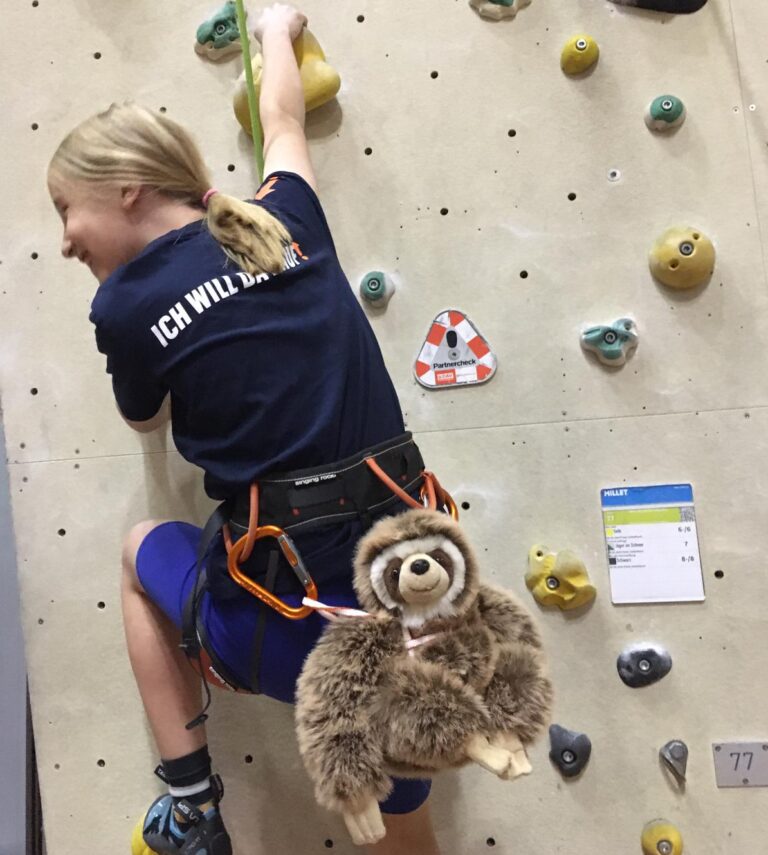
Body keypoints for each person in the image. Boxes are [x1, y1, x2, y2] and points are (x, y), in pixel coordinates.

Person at [47, 4, 446, 854]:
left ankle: (191, 802)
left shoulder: (124, 303)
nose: (64, 241)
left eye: (64, 210)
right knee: (403, 823)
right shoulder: (283, 218)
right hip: (412, 613)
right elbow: (284, 123)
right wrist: (275, 33)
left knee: (140, 548)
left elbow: (140, 412)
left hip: (288, 625)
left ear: (125, 190)